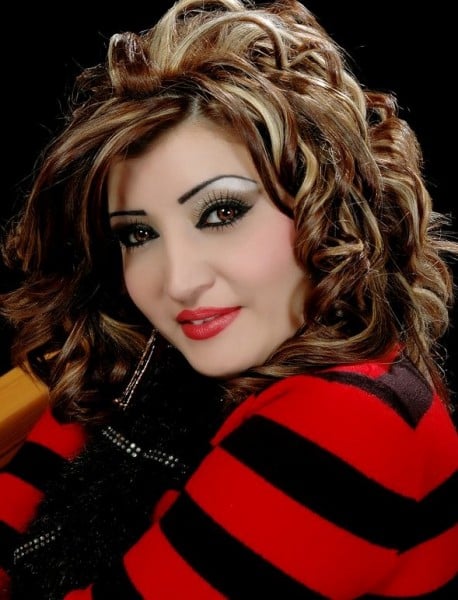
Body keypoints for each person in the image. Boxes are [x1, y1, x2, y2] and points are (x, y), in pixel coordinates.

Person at [0, 0, 457, 597]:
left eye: (221, 213)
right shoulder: (156, 364)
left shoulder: (351, 420)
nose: (179, 281)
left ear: (327, 210)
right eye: (138, 234)